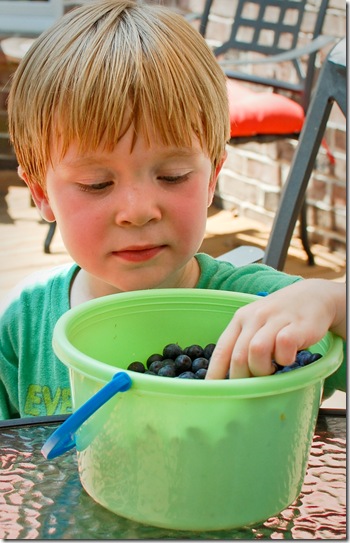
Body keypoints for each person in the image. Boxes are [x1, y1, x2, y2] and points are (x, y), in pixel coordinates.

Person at [0, 0, 346, 420]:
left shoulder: (261, 306)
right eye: (97, 184)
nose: (138, 211)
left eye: (174, 175)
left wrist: (332, 300)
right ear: (41, 193)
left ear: (212, 178)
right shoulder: (24, 325)